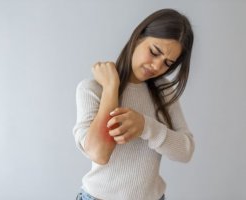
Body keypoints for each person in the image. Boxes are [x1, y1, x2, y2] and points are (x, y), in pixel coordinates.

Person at [73, 8, 195, 200]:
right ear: (138, 37)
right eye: (154, 52)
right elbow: (99, 153)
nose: (156, 66)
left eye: (167, 63)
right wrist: (111, 87)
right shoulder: (92, 89)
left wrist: (146, 127)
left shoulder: (163, 93)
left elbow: (186, 151)